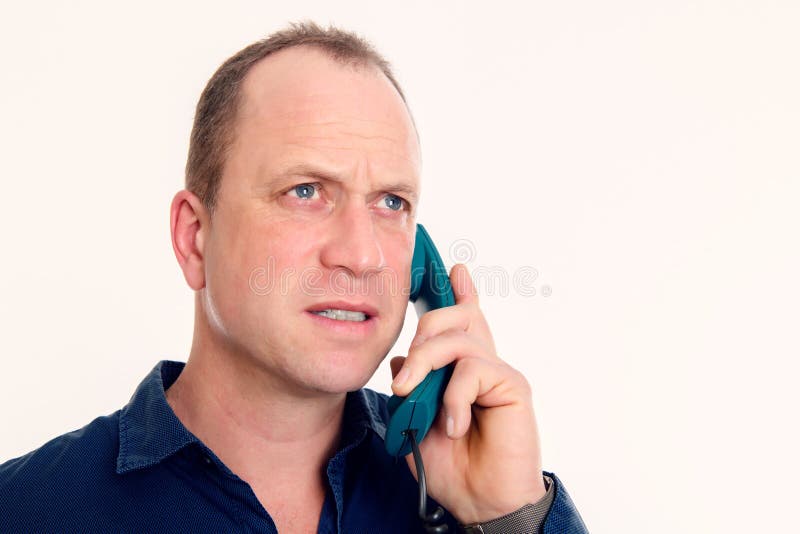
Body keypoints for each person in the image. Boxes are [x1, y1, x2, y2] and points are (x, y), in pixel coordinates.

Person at [0, 21, 588, 533]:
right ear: (194, 237)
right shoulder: (23, 511)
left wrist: (510, 518)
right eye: (305, 191)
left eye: (390, 203)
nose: (362, 257)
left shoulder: (463, 491)